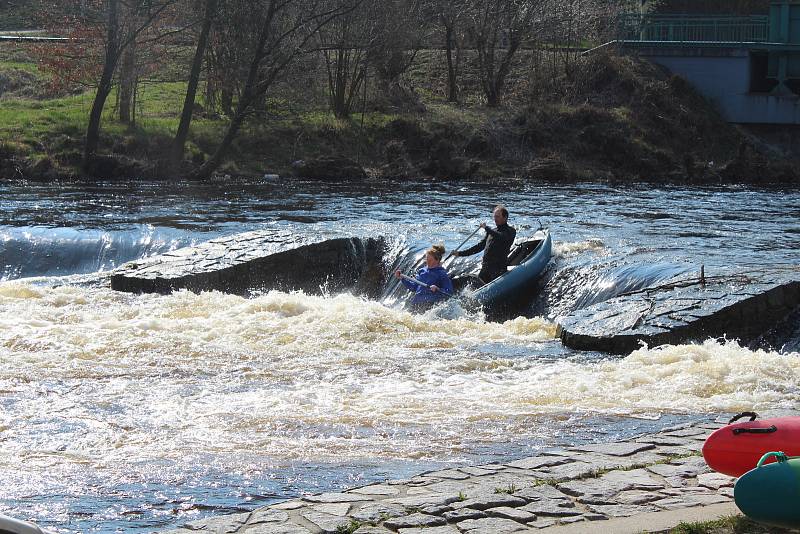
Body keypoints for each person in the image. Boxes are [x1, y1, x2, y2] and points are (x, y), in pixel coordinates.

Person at [452, 205, 516, 284]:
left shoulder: (510, 231)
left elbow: (500, 237)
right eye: (494, 216)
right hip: (485, 268)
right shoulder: (492, 231)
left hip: (498, 269)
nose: (495, 219)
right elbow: (479, 247)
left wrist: (486, 228)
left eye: (498, 216)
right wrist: (460, 253)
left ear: (505, 217)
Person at [395, 244, 454, 312]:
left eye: (430, 260)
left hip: (430, 305)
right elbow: (413, 287)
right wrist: (402, 279)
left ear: (437, 260)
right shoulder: (422, 271)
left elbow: (449, 292)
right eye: (427, 259)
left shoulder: (442, 274)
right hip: (416, 303)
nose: (427, 262)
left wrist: (438, 289)